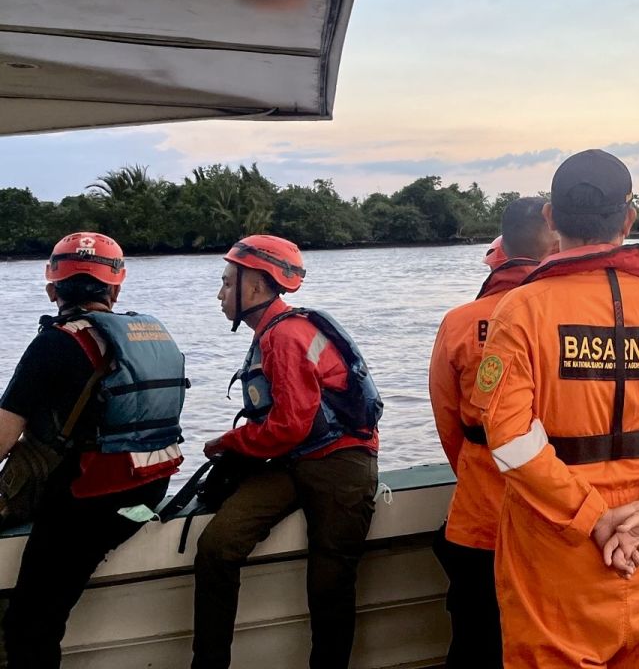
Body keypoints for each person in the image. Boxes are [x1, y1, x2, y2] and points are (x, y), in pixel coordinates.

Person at [471, 149, 639, 668]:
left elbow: (508, 439)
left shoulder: (519, 311)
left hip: (556, 551)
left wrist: (593, 517)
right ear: (628, 219)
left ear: (550, 217)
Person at [192, 235, 382, 669]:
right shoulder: (274, 331)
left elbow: (289, 425)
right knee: (217, 547)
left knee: (329, 584)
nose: (220, 294)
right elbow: (291, 431)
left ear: (255, 287)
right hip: (297, 458)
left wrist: (226, 443)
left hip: (342, 463)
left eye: (226, 283)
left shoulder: (286, 335)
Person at [0, 232, 186, 668]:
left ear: (52, 288)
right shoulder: (149, 335)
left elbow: (4, 437)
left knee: (30, 624)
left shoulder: (54, 343)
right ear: (116, 287)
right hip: (147, 491)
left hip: (88, 502)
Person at [428, 197, 558, 668]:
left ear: (499, 253)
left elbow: (448, 423)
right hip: (558, 514)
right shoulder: (566, 317)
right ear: (557, 244)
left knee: (475, 635)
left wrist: (478, 471)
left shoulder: (459, 323)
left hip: (480, 511)